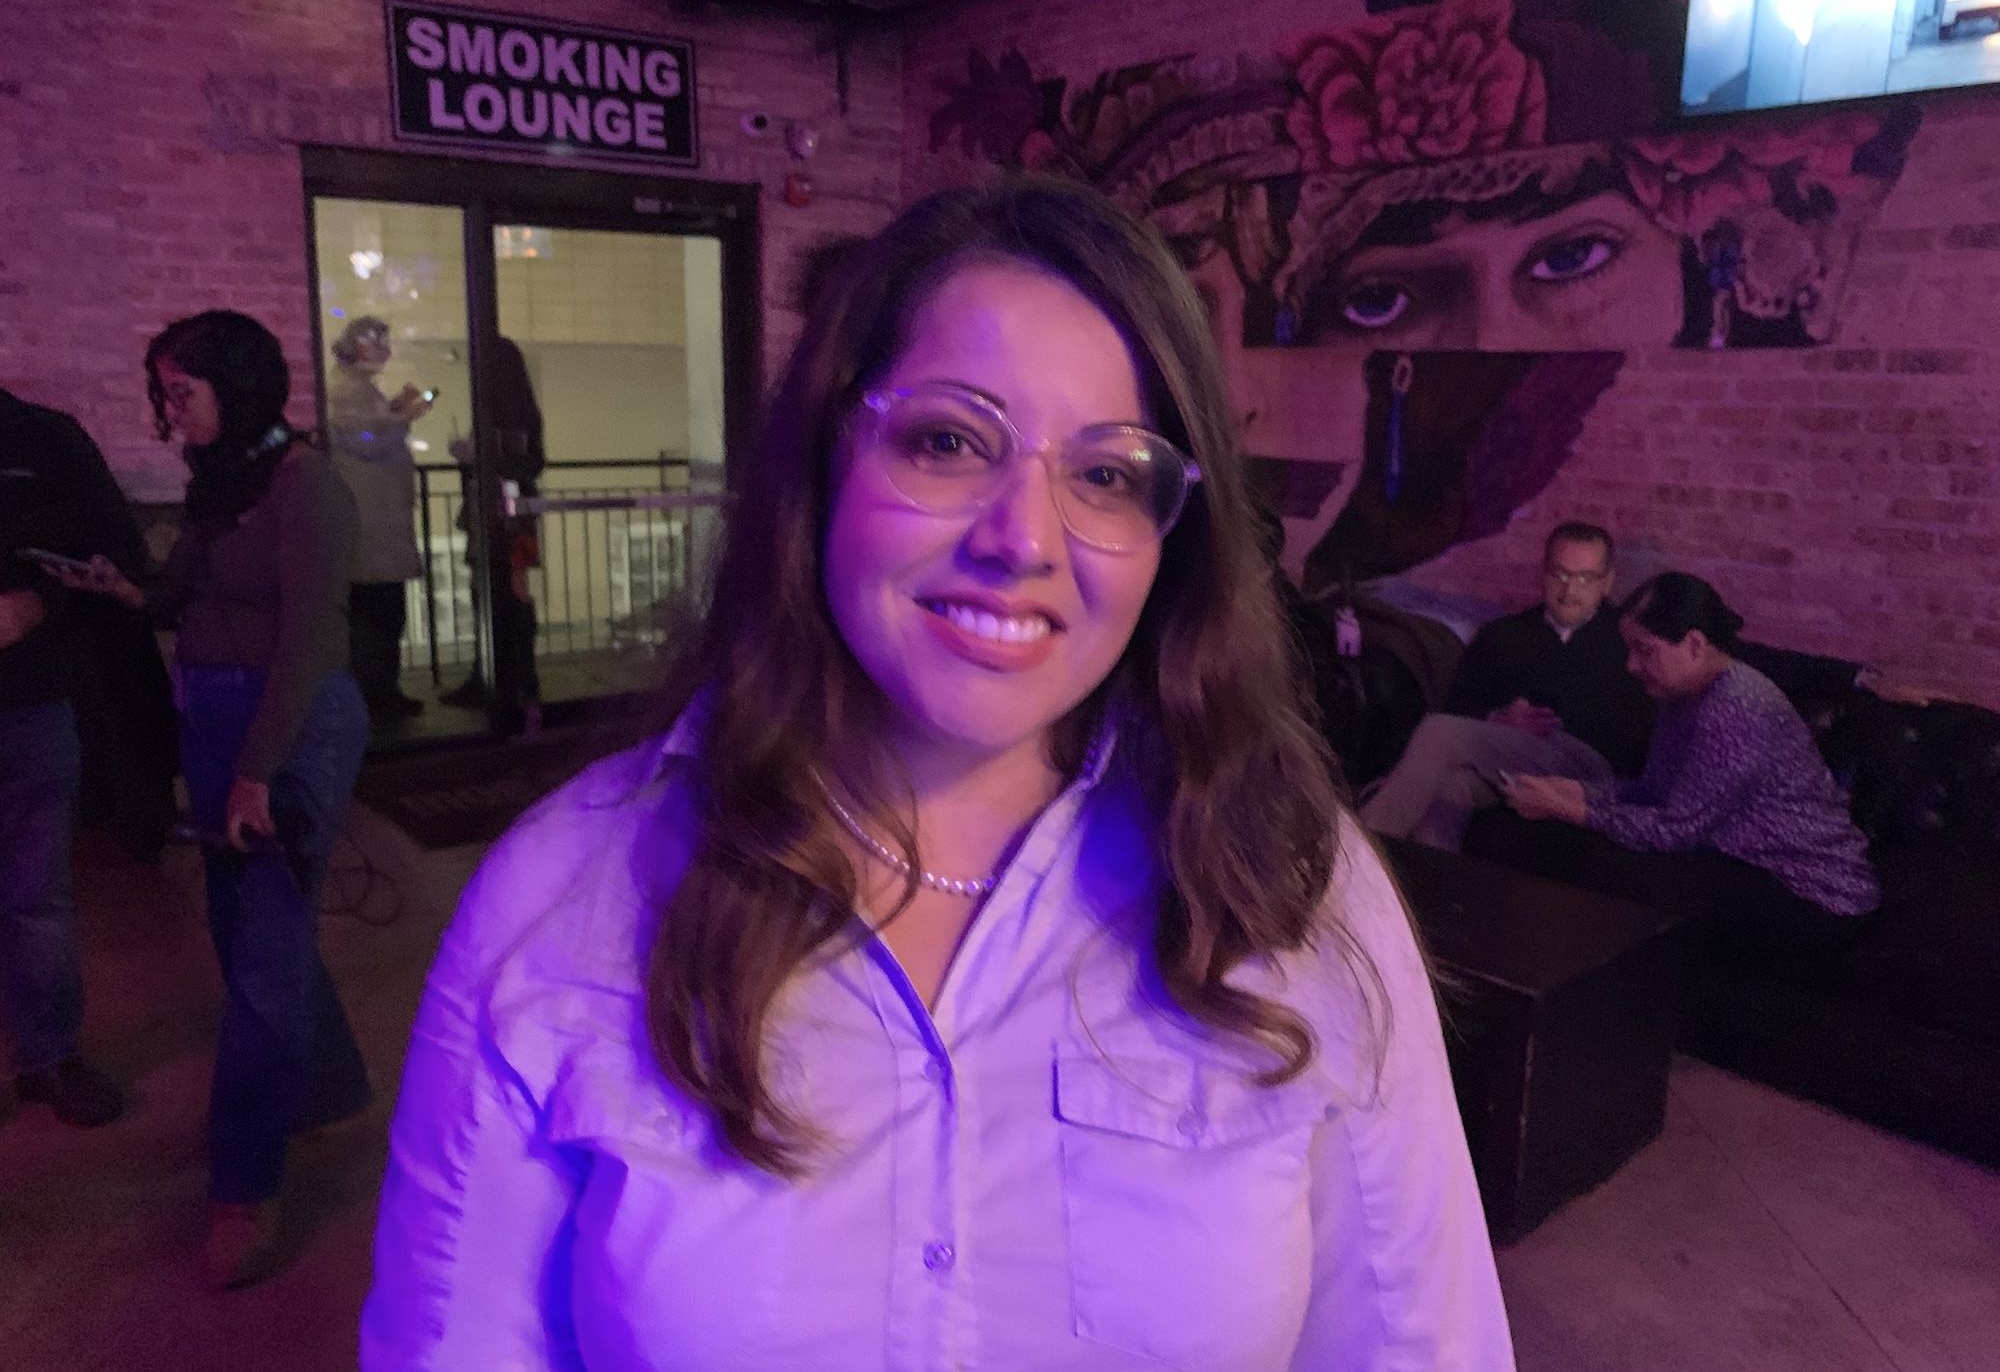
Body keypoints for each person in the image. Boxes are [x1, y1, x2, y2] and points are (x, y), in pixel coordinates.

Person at [363, 181, 1511, 1369]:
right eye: (950, 440)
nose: (1021, 536)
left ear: (1175, 539)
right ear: (826, 459)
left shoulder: (1292, 882)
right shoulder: (563, 901)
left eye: (1108, 473)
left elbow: (1421, 1342)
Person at [51, 311, 375, 1288]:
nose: (168, 411)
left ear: (235, 388)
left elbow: (312, 642)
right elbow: (178, 595)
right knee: (246, 932)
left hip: (289, 725)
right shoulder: (221, 483)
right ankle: (331, 1084)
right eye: (164, 392)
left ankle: (244, 1180)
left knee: (264, 949)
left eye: (180, 391)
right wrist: (119, 586)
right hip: (219, 716)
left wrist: (257, 771)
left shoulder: (305, 484)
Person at [1504, 571, 1879, 923]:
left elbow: (1675, 831)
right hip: (1739, 862)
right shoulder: (1680, 696)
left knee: (1606, 866)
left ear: (1695, 645)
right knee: (1556, 841)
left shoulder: (1736, 705)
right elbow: (1655, 791)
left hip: (1810, 890)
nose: (1631, 665)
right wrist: (1581, 791)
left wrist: (1574, 809)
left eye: (1644, 650)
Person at [0, 387, 133, 1128]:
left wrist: (38, 603)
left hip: (28, 697)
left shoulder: (44, 434)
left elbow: (110, 544)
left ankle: (49, 1055)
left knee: (36, 894)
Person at [1361, 521, 1651, 850]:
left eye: (1585, 578)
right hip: (1501, 767)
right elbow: (1459, 705)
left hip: (1584, 766)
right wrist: (1496, 721)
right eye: (1560, 574)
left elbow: (1637, 732)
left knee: (1440, 732)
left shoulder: (1626, 641)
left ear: (1607, 581)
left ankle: (1360, 857)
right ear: (1544, 572)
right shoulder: (1504, 634)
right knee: (1449, 788)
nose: (1570, 590)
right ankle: (1435, 890)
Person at [325, 315, 430, 719]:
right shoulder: (346, 391)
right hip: (371, 530)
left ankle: (380, 694)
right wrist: (404, 416)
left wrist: (395, 412)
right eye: (376, 342)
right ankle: (378, 697)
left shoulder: (355, 391)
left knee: (381, 616)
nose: (384, 351)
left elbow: (366, 434)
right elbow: (365, 440)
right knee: (379, 618)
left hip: (375, 527)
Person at [440, 334, 544, 728]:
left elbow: (521, 461)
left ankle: (507, 677)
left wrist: (472, 457)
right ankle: (517, 677)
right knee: (510, 589)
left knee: (495, 590)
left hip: (499, 510)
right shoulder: (523, 411)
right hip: (514, 510)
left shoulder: (499, 415)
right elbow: (531, 462)